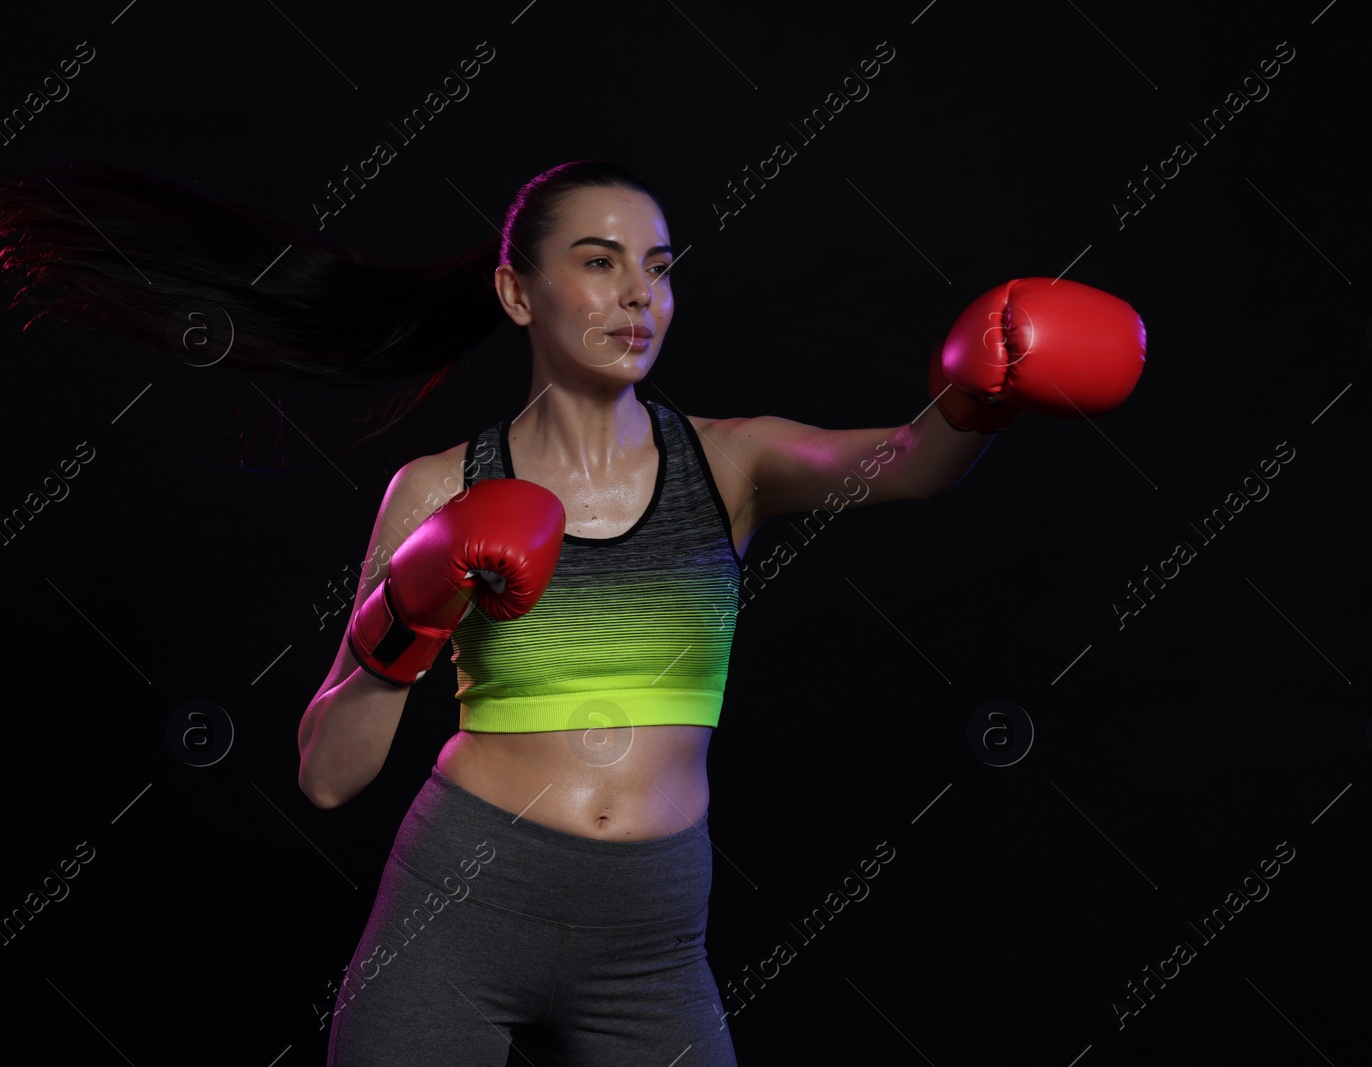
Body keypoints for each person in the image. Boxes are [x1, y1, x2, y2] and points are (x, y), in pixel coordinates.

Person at [0, 159, 1145, 1065]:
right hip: (459, 913)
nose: (639, 292)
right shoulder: (438, 489)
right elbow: (327, 773)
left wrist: (981, 392)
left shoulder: (731, 463)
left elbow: (906, 462)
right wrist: (416, 607)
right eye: (599, 263)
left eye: (657, 265)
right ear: (518, 291)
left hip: (648, 942)